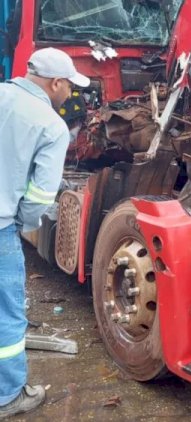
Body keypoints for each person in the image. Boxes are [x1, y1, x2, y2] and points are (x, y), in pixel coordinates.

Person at [0, 48, 89, 418]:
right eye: (70, 85)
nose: (71, 94)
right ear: (55, 83)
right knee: (7, 316)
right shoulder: (52, 126)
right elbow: (39, 196)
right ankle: (8, 396)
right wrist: (24, 222)